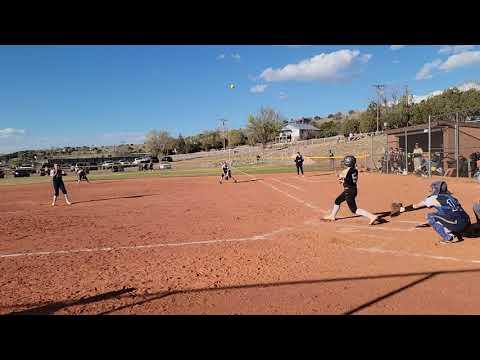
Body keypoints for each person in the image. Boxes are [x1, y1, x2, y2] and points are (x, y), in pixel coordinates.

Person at [397, 181, 470, 244]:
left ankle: (449, 237)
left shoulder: (435, 198)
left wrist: (403, 209)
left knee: (431, 216)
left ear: (437, 189)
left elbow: (417, 206)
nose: (432, 190)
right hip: (466, 222)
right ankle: (459, 231)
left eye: (433, 188)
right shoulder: (450, 197)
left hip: (457, 224)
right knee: (443, 211)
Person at [323, 155, 379, 225]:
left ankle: (372, 216)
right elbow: (348, 178)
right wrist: (342, 177)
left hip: (349, 191)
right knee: (337, 200)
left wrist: (339, 177)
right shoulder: (354, 170)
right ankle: (332, 216)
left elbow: (342, 181)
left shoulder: (346, 171)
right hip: (352, 189)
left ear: (348, 163)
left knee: (354, 210)